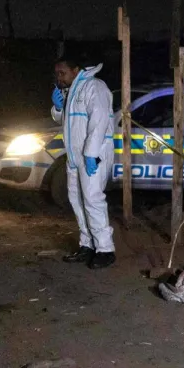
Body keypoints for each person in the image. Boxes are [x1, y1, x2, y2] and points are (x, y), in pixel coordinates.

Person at [52, 55, 116, 268]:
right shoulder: (71, 91)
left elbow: (99, 123)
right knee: (77, 200)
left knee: (92, 200)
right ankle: (87, 244)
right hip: (74, 156)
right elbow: (65, 122)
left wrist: (91, 154)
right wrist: (57, 109)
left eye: (62, 73)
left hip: (93, 155)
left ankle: (105, 249)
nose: (59, 77)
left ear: (75, 70)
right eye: (57, 73)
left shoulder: (94, 87)